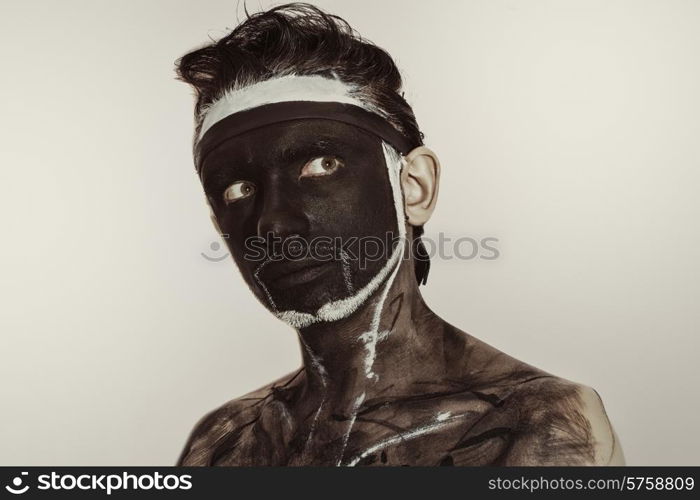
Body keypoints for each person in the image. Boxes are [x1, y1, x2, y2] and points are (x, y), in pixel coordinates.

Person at [174, 2, 624, 466]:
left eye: (321, 165)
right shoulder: (222, 444)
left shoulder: (533, 422)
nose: (272, 223)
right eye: (238, 189)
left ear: (414, 186)